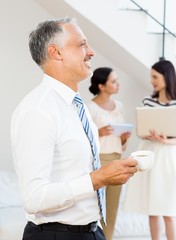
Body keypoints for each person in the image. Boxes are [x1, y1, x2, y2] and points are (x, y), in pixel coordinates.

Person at [10, 17, 138, 240]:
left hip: (92, 230)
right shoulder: (38, 111)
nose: (91, 52)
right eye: (82, 44)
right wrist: (97, 179)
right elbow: (33, 199)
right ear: (55, 52)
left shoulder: (78, 107)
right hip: (55, 235)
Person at [123, 60, 176, 240]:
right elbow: (141, 131)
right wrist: (149, 135)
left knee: (168, 210)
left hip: (167, 157)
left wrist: (165, 140)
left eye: (155, 77)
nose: (152, 81)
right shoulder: (148, 101)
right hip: (149, 154)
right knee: (152, 210)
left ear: (167, 77)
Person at [88, 67, 132, 240]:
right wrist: (99, 132)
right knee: (94, 207)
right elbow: (83, 139)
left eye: (117, 80)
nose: (117, 84)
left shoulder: (119, 106)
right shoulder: (90, 107)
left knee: (112, 208)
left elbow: (122, 144)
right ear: (101, 86)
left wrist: (123, 138)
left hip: (117, 159)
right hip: (98, 161)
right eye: (113, 81)